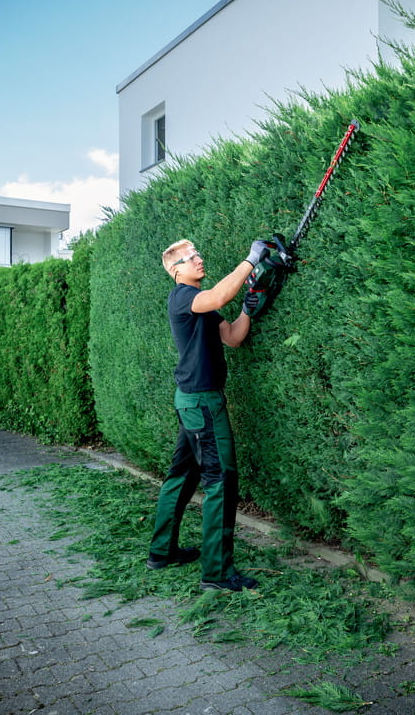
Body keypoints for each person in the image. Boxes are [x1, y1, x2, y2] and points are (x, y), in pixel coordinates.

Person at [146, 237, 269, 592]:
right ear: (176, 270)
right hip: (202, 403)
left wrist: (248, 308)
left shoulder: (200, 305)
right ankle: (217, 572)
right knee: (220, 480)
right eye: (190, 257)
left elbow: (232, 337)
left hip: (191, 402)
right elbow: (217, 296)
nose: (198, 259)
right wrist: (252, 260)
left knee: (182, 475)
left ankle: (162, 552)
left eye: (197, 253)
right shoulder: (183, 296)